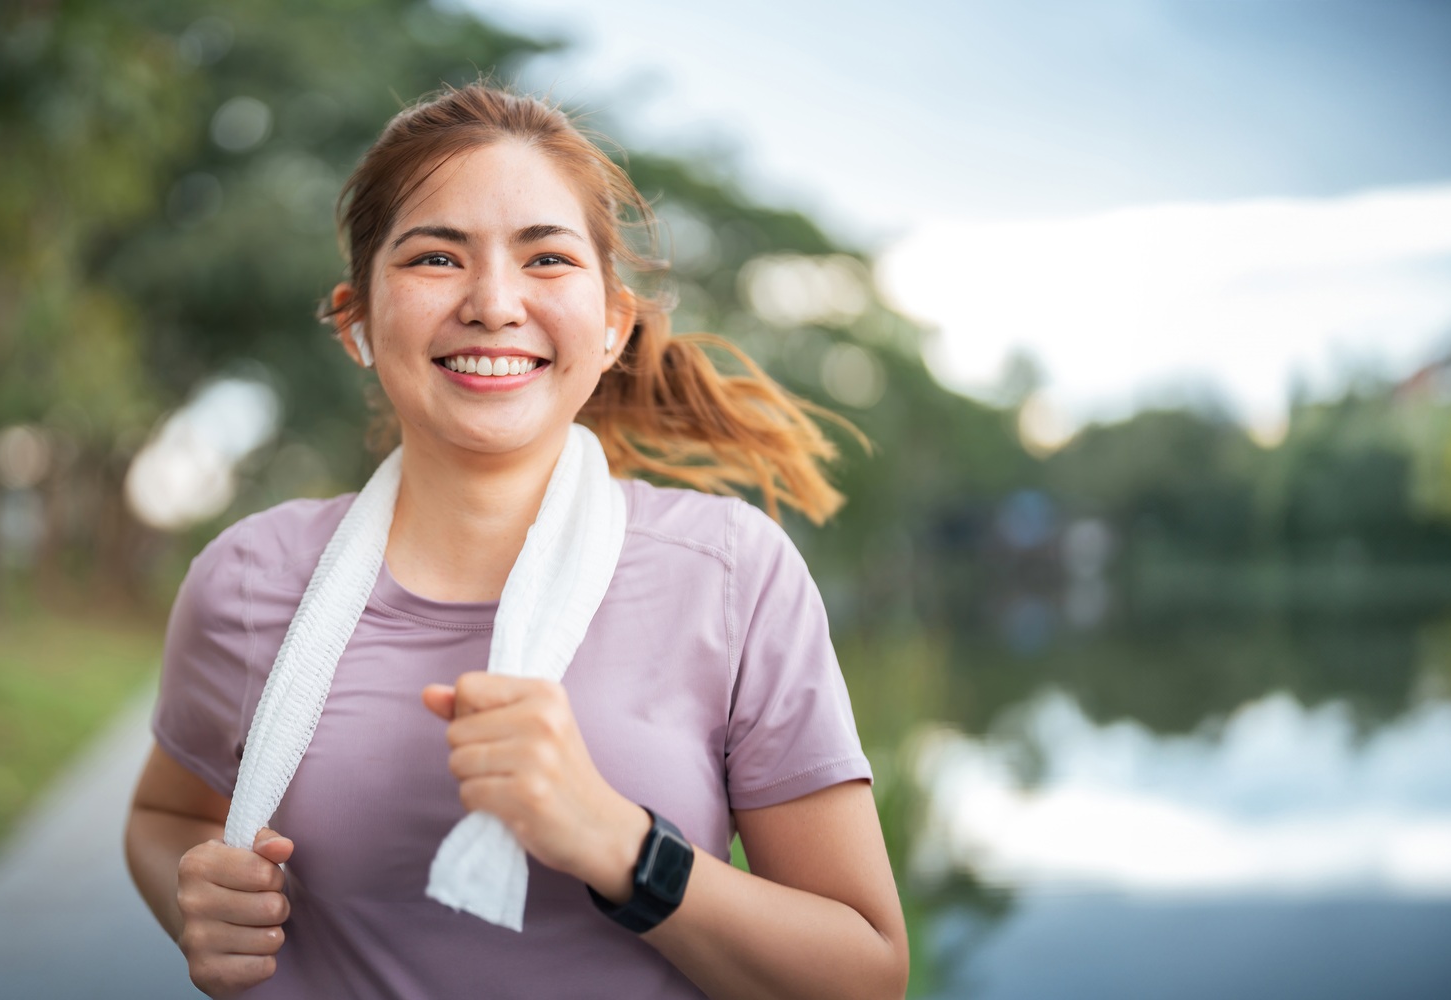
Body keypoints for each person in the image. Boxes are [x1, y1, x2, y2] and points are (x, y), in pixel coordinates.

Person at [124, 82, 908, 999]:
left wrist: (621, 845)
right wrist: (197, 903)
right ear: (357, 322)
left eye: (547, 258)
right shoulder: (250, 578)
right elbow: (164, 814)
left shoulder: (733, 575)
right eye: (435, 258)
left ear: (612, 325)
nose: (494, 303)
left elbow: (867, 974)